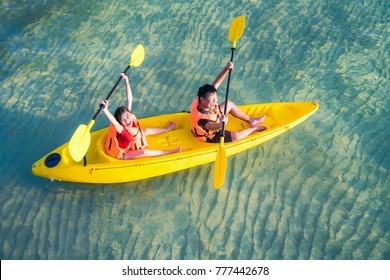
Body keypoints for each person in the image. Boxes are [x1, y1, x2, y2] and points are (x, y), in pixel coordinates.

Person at [100, 73, 181, 159]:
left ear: (129, 114)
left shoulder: (129, 117)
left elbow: (129, 99)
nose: (127, 120)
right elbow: (115, 123)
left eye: (127, 116)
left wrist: (126, 81)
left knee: (146, 131)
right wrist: (105, 110)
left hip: (128, 145)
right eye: (123, 120)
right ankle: (168, 152)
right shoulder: (121, 130)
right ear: (121, 123)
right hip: (121, 155)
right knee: (144, 152)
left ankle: (166, 129)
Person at [190, 62, 267, 143]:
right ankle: (255, 128)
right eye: (211, 99)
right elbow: (211, 127)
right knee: (236, 136)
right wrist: (222, 123)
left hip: (214, 117)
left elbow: (216, 84)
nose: (215, 101)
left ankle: (251, 120)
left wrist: (226, 69)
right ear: (202, 99)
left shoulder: (203, 98)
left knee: (229, 103)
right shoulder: (202, 120)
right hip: (210, 135)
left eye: (215, 98)